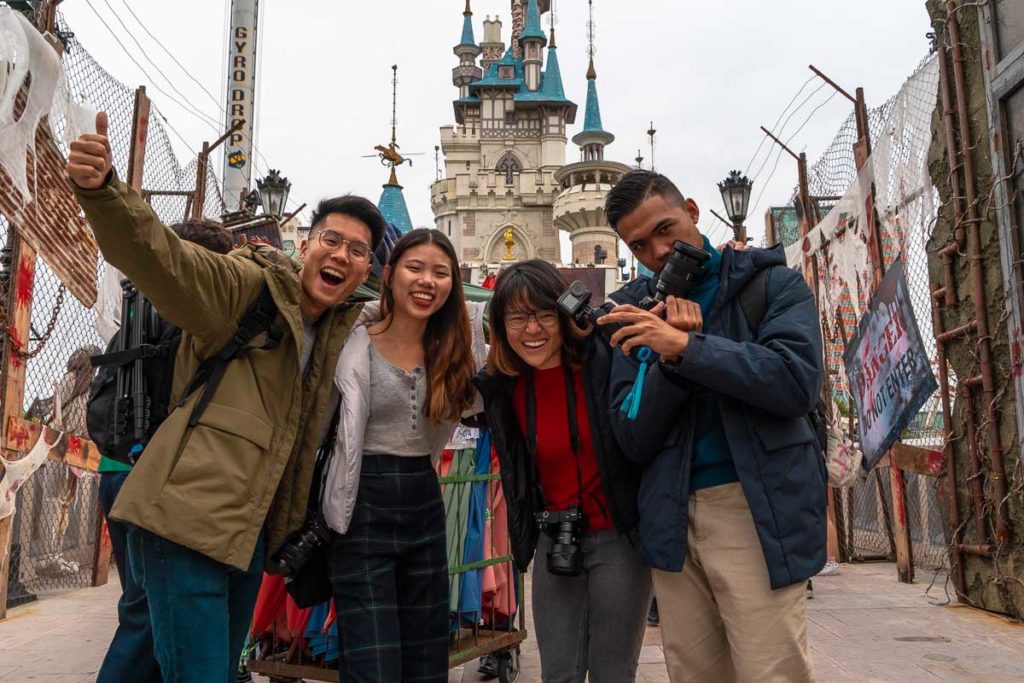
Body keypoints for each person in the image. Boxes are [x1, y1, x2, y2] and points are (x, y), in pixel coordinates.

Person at [66, 111, 386, 682]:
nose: (340, 255)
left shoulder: (341, 332)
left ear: (366, 268)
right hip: (181, 522)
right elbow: (165, 259)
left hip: (247, 538)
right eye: (331, 240)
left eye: (357, 250)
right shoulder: (248, 288)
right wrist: (105, 191)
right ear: (305, 244)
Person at [599, 169, 825, 683]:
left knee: (772, 669)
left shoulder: (770, 286)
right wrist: (670, 365)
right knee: (695, 672)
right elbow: (631, 436)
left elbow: (796, 382)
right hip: (670, 513)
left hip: (753, 506)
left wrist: (689, 348)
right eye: (638, 244)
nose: (657, 250)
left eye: (665, 228)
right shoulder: (633, 314)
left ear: (693, 212)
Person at [474, 260, 650, 683]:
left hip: (618, 538)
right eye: (517, 317)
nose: (531, 330)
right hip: (555, 539)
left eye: (544, 314)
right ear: (501, 325)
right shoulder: (503, 385)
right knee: (558, 673)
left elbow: (649, 293)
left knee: (613, 672)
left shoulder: (605, 360)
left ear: (565, 314)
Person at [321, 229, 477, 683]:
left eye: (441, 272)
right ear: (389, 275)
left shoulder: (457, 348)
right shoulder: (351, 339)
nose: (427, 281)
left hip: (424, 501)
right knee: (373, 662)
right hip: (360, 504)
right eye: (415, 268)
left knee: (427, 659)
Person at [95, 219, 234, 683]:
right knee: (148, 611)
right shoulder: (188, 315)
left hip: (117, 468)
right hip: (153, 474)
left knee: (141, 602)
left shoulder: (140, 305)